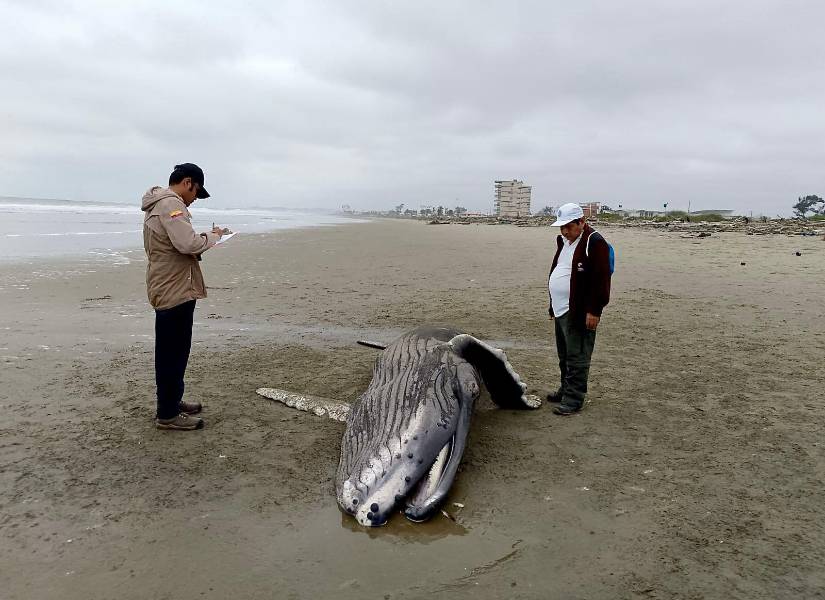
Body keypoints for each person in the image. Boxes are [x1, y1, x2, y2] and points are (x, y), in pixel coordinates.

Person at [141, 163, 227, 430]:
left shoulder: (163, 204)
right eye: (196, 192)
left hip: (171, 284)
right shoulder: (170, 205)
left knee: (175, 351)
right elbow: (186, 243)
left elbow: (177, 243)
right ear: (188, 182)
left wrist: (206, 237)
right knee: (172, 353)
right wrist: (213, 237)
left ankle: (172, 401)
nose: (194, 200)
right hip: (173, 289)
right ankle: (167, 414)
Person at [546, 203, 611, 415]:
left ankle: (574, 399)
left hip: (580, 311)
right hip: (561, 309)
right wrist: (552, 306)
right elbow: (558, 270)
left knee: (578, 356)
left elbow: (602, 280)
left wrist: (594, 311)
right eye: (561, 226)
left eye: (568, 226)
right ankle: (565, 389)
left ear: (581, 223)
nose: (564, 231)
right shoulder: (565, 242)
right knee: (564, 355)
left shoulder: (595, 242)